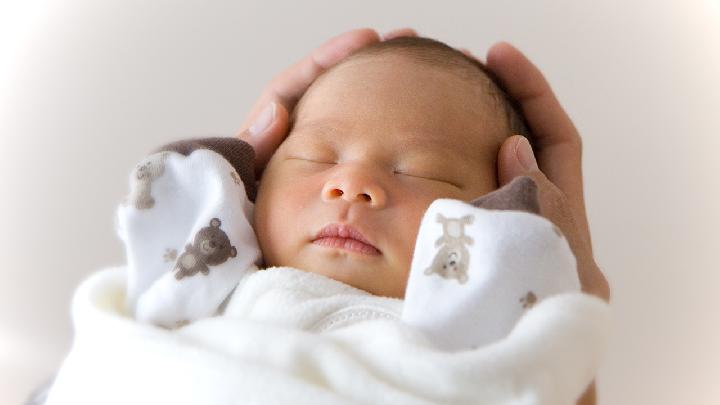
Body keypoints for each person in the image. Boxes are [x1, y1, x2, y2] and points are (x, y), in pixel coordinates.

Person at [38, 29, 610, 405]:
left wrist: (558, 284)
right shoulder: (208, 287)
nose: (352, 185)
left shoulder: (461, 336)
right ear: (257, 183)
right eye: (316, 157)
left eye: (425, 171)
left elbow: (529, 377)